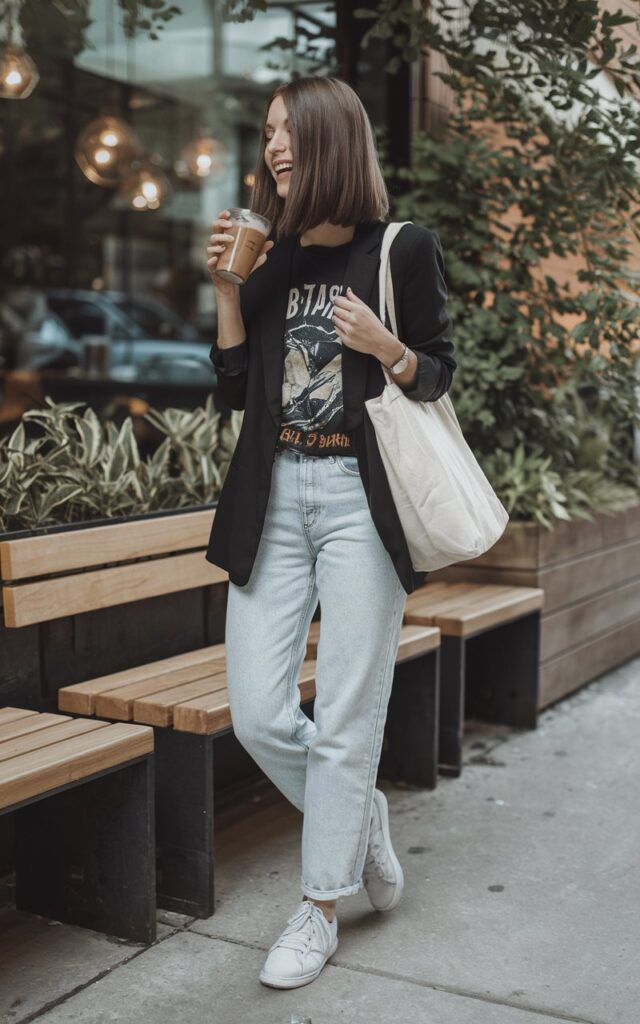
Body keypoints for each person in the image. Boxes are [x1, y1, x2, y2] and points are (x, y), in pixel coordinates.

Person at [205, 75, 456, 990]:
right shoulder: (270, 260)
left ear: (333, 141)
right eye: (269, 133)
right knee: (261, 711)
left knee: (348, 715)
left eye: (291, 134)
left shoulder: (402, 249)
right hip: (273, 500)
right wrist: (232, 289)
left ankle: (318, 908)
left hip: (361, 498)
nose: (275, 148)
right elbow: (234, 393)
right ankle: (359, 824)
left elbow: (436, 375)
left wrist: (385, 347)